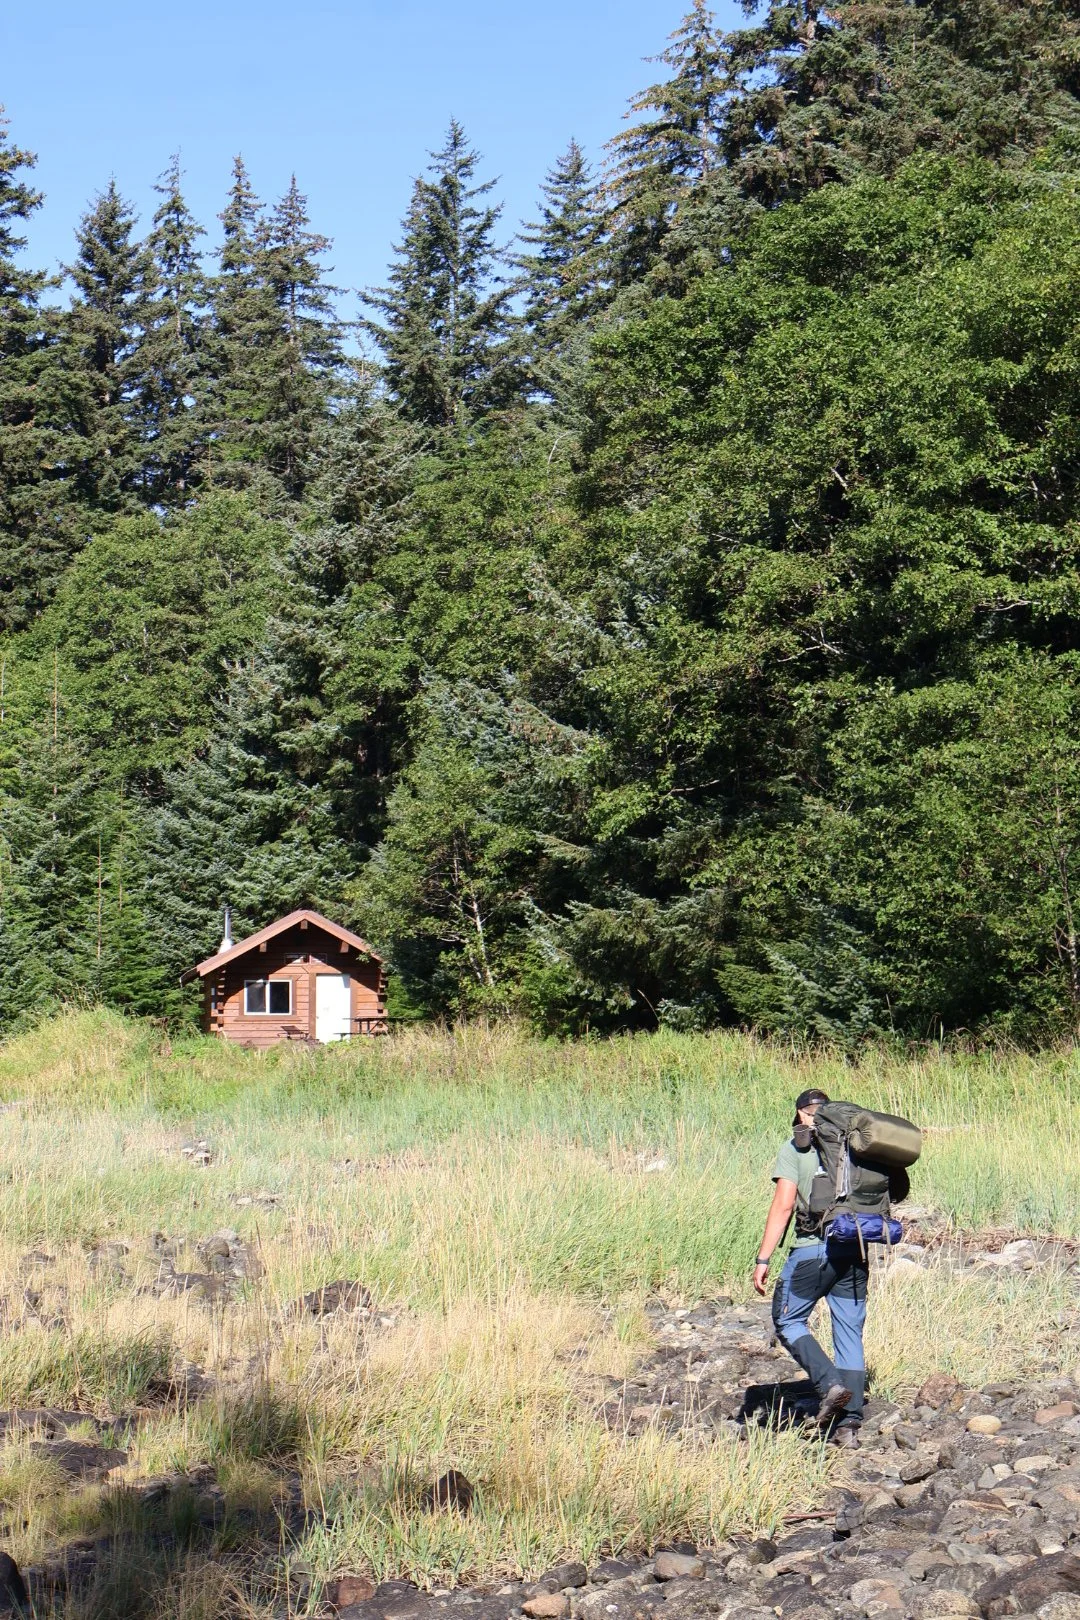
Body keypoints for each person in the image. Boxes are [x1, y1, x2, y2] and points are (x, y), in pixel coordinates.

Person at [752, 1087, 867, 1449]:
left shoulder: (794, 1149)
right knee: (848, 1331)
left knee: (787, 1320)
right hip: (856, 1249)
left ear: (801, 1114)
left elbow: (783, 1207)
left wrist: (764, 1257)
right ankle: (850, 1423)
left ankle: (829, 1384)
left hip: (812, 1251)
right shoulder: (854, 1145)